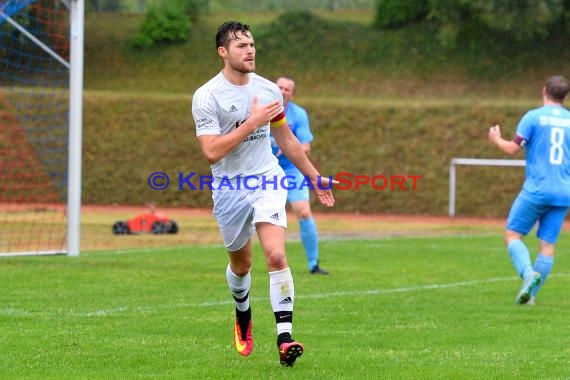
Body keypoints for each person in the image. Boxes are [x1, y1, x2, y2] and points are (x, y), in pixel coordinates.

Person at [191, 21, 338, 366]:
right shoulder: (207, 96)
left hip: (267, 180)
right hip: (229, 188)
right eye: (241, 46)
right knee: (241, 267)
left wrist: (315, 177)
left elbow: (287, 139)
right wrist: (253, 122)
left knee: (276, 256)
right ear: (223, 52)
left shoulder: (269, 90)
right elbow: (212, 152)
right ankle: (243, 314)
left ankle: (285, 338)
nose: (250, 50)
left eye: (252, 44)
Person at [488, 75, 570, 305]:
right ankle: (530, 298)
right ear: (565, 96)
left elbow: (512, 149)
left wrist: (496, 139)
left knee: (513, 235)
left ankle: (527, 274)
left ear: (544, 90)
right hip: (564, 192)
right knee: (547, 245)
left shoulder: (533, 117)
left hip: (537, 189)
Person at [270, 76, 329, 275]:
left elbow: (305, 146)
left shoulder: (298, 114)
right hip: (264, 169)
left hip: (291, 169)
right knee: (253, 214)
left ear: (292, 94)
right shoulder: (262, 108)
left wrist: (291, 150)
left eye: (287, 89)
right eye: (279, 87)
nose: (283, 91)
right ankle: (247, 263)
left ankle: (314, 264)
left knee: (303, 212)